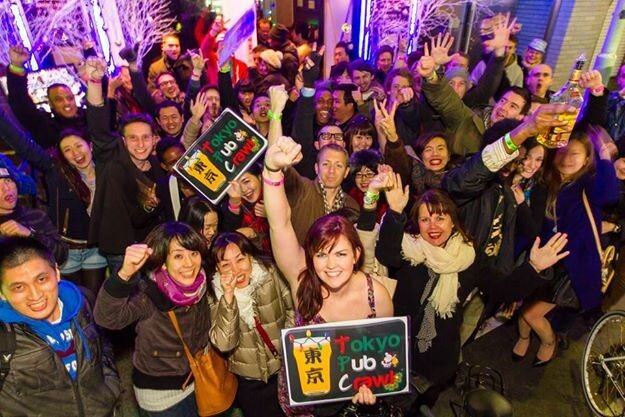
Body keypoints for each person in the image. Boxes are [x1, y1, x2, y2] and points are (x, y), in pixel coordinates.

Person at [262, 136, 394, 416]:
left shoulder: (376, 295)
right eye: (321, 254)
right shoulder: (303, 280)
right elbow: (280, 224)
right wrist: (271, 171)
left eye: (341, 254)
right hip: (307, 400)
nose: (331, 265)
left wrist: (373, 386)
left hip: (351, 401)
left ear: (356, 255)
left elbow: (385, 355)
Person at [512, 125, 619, 366]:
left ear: (587, 159)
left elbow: (608, 196)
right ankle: (524, 337)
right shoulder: (545, 182)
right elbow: (533, 226)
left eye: (575, 154)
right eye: (562, 152)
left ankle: (549, 341)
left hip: (571, 266)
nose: (567, 159)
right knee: (524, 308)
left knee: (531, 312)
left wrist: (604, 158)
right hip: (541, 258)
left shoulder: (586, 184)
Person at [94, 222, 212, 416]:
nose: (190, 263)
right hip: (162, 396)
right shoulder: (148, 294)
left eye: (194, 253)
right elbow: (107, 318)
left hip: (197, 380)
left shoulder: (200, 286)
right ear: (163, 262)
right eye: (178, 256)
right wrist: (124, 275)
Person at [0, 236, 120, 416]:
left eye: (42, 279)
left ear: (56, 273)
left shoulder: (82, 302)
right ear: (2, 293)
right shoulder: (4, 333)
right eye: (19, 287)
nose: (35, 295)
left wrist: (110, 390)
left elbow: (103, 348)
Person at [0, 113, 106, 297]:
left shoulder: (107, 171)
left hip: (95, 250)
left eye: (78, 145)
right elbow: (25, 146)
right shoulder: (58, 173)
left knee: (92, 300)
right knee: (70, 299)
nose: (76, 153)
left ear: (89, 146)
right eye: (67, 150)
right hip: (66, 251)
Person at [208, 232, 294, 417]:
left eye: (240, 259)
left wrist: (286, 347)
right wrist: (228, 298)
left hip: (285, 369)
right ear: (217, 268)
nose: (236, 270)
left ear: (250, 257)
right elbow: (225, 344)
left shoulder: (270, 273)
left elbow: (293, 309)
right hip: (249, 381)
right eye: (226, 265)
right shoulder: (214, 294)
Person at [7, 45, 87, 148]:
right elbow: (20, 103)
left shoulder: (90, 119)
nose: (67, 103)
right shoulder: (47, 128)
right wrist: (16, 66)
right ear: (51, 104)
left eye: (70, 98)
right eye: (59, 100)